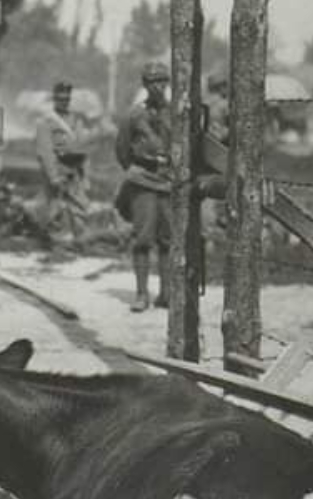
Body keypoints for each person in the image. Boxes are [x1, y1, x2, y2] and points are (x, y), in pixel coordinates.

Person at [116, 62, 173, 312]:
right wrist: (137, 169)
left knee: (168, 240)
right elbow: (122, 149)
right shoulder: (134, 114)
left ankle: (167, 294)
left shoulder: (175, 112)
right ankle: (141, 294)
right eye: (153, 82)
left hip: (170, 182)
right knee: (143, 239)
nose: (158, 87)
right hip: (143, 181)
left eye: (162, 81)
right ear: (145, 85)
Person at [35, 81, 91, 247]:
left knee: (80, 206)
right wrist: (53, 176)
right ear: (54, 99)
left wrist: (86, 175)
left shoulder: (77, 120)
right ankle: (56, 243)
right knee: (56, 208)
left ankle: (80, 240)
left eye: (66, 98)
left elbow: (83, 147)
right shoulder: (46, 122)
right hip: (59, 168)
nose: (64, 101)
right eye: (60, 98)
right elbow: (45, 151)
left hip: (76, 169)